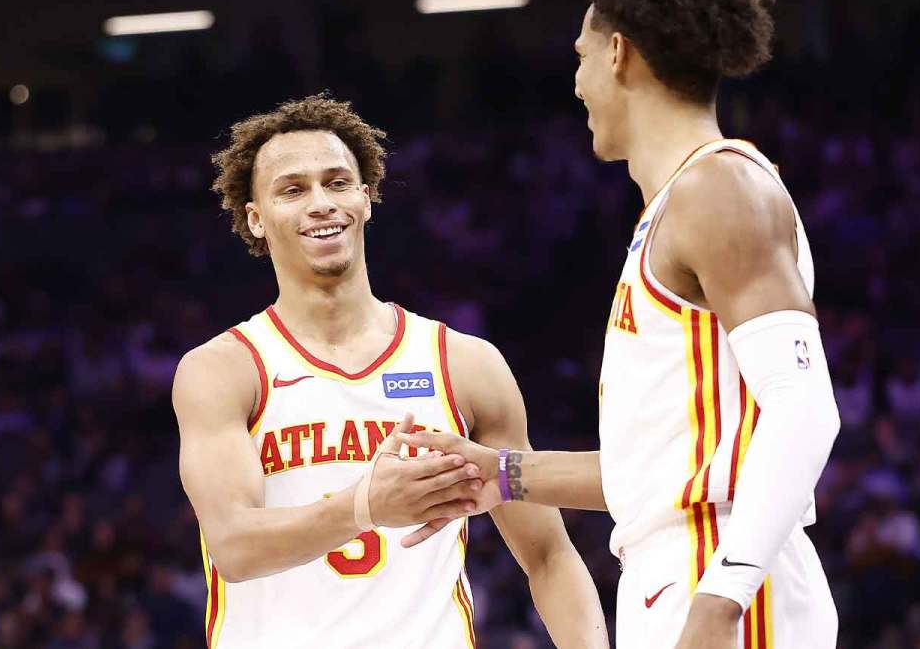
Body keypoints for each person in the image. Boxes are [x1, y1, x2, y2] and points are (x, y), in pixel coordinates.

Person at [398, 0, 840, 647]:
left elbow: (805, 409)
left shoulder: (720, 187)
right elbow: (666, 470)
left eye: (580, 55)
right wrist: (502, 474)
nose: (575, 83)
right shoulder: (675, 208)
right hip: (678, 572)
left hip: (723, 578)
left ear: (619, 54)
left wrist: (719, 601)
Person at [172, 96, 607, 648]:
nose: (321, 203)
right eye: (293, 189)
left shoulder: (463, 363)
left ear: (366, 198)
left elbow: (547, 554)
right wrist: (366, 507)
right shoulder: (223, 369)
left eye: (337, 183)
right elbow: (233, 545)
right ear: (255, 218)